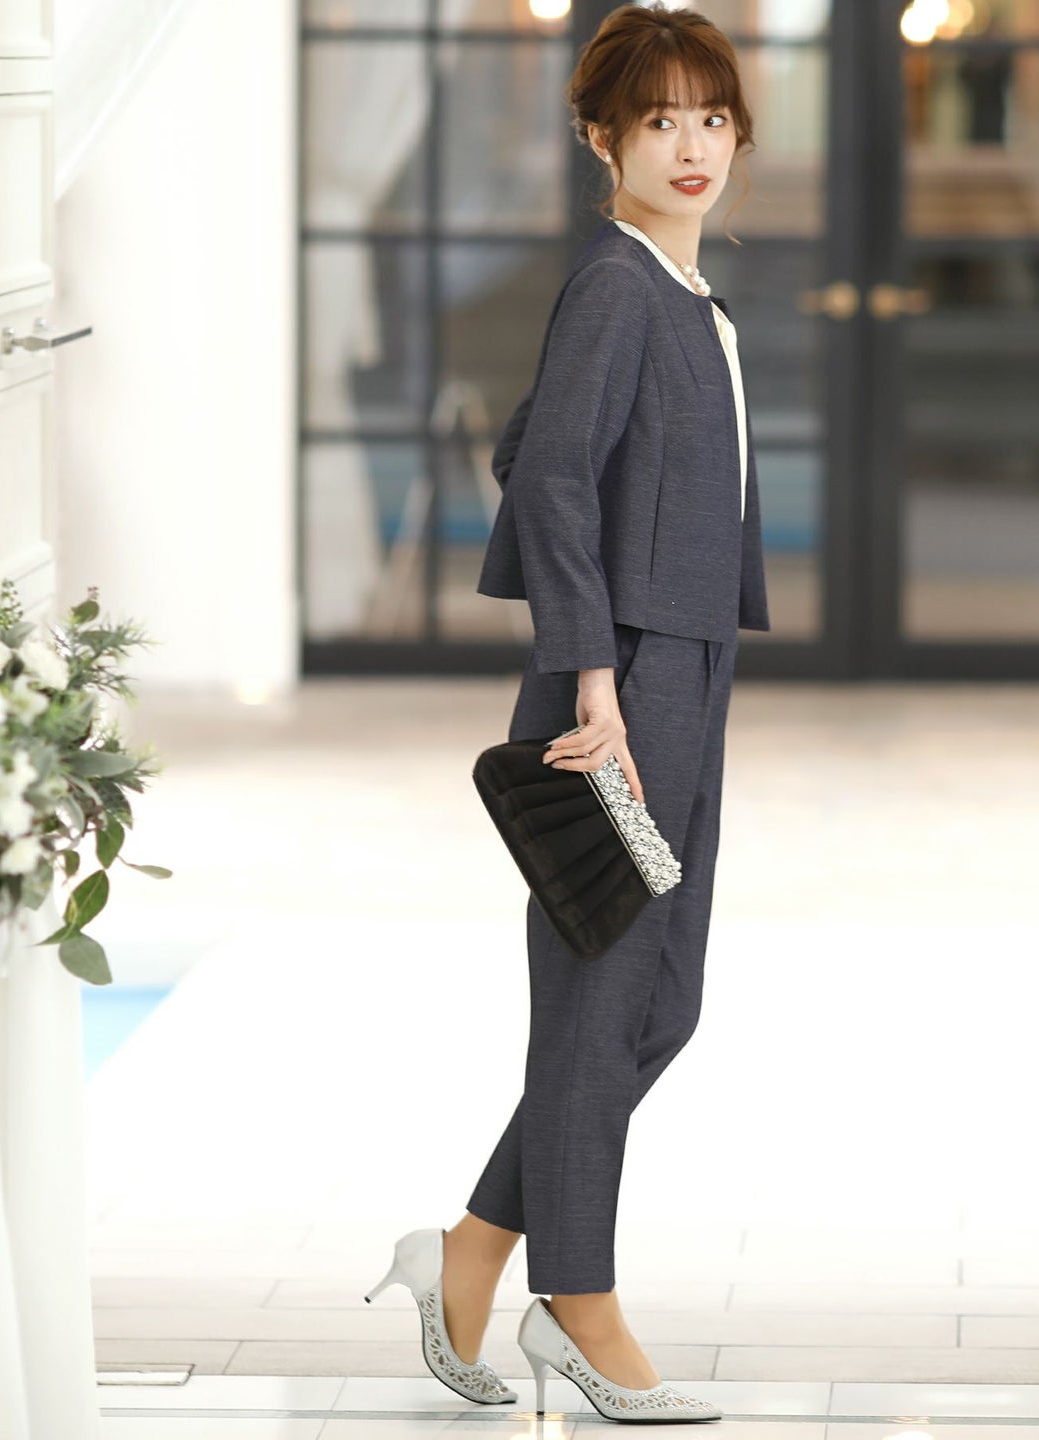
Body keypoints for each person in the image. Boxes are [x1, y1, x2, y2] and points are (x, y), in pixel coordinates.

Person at [364, 4, 770, 1423]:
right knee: (606, 1001)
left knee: (661, 1001)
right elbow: (545, 481)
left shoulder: (676, 289)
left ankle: (471, 1250)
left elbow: (527, 444)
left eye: (711, 118)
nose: (691, 145)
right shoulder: (616, 285)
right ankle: (576, 1302)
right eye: (659, 120)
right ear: (603, 137)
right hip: (625, 685)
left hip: (681, 666)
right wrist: (595, 672)